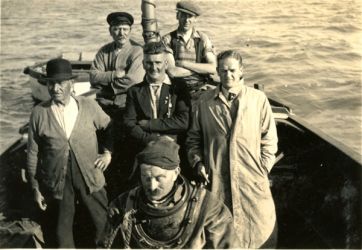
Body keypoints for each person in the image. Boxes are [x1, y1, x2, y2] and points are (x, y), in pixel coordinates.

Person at [186, 50, 279, 248]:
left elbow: (269, 139)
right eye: (223, 70)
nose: (228, 75)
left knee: (259, 227)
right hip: (217, 176)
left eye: (232, 70)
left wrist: (264, 168)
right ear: (217, 72)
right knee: (219, 230)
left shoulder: (258, 99)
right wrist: (198, 162)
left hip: (252, 177)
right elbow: (193, 138)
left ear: (241, 71)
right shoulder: (204, 101)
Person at [26, 58, 113, 248]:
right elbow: (33, 152)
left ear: (71, 83)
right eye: (50, 83)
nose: (55, 88)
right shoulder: (39, 113)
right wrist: (35, 186)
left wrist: (108, 153)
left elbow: (109, 127)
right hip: (57, 180)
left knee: (102, 225)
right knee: (61, 232)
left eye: (60, 83)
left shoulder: (88, 106)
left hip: (90, 175)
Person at [99, 138, 241, 248]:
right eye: (146, 178)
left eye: (159, 178)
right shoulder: (123, 205)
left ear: (175, 173)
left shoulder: (207, 208)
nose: (152, 186)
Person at [123, 41, 190, 183]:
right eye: (149, 63)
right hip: (145, 146)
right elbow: (129, 123)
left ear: (166, 64)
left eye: (158, 62)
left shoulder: (179, 87)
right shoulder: (134, 91)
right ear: (143, 64)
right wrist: (152, 140)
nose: (154, 67)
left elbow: (183, 122)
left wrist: (149, 124)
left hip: (173, 147)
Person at [90, 12, 145, 117]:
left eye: (125, 29)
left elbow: (133, 81)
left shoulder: (138, 51)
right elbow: (93, 76)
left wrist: (105, 87)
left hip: (128, 104)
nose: (121, 33)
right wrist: (114, 74)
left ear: (130, 31)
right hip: (103, 103)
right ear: (110, 31)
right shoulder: (104, 51)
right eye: (116, 29)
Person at [162, 0, 217, 100]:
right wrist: (201, 70)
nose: (187, 20)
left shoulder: (203, 38)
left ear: (195, 18)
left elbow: (213, 68)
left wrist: (183, 63)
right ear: (177, 16)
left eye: (190, 16)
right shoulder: (168, 39)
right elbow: (172, 71)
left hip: (201, 89)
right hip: (177, 91)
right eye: (183, 15)